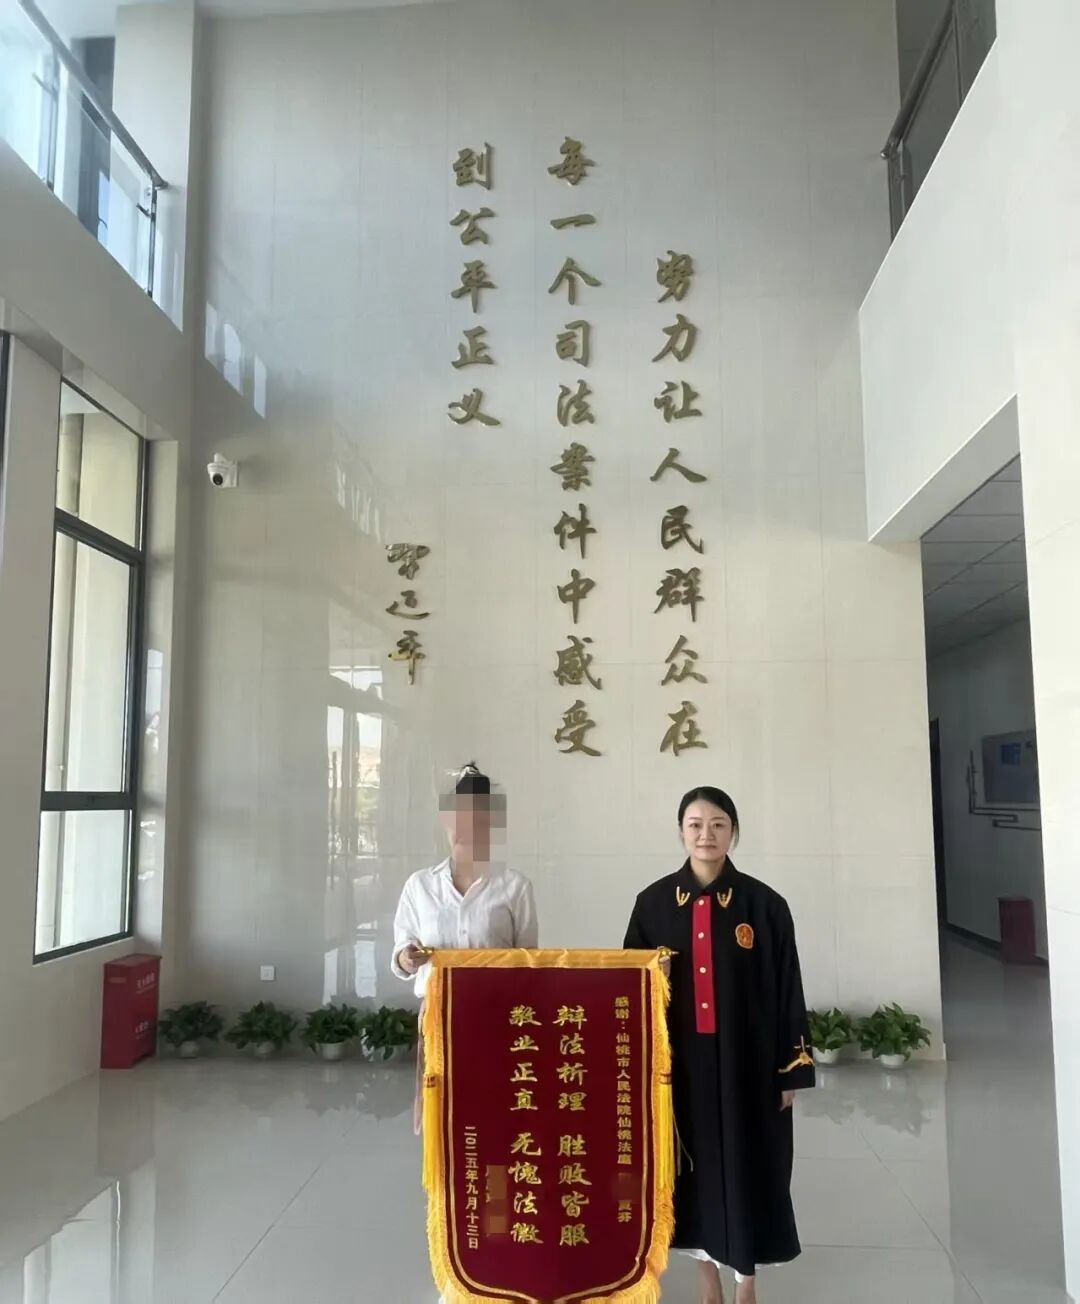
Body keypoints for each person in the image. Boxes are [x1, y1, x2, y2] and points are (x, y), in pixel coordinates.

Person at [623, 787, 814, 1304]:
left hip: (750, 1064)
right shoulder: (653, 904)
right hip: (682, 1067)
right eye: (695, 824)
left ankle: (747, 1280)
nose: (705, 835)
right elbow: (627, 991)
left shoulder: (765, 906)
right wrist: (653, 977)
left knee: (753, 1164)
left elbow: (788, 988)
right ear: (680, 831)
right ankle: (707, 1281)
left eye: (717, 824)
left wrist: (792, 1070)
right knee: (692, 1172)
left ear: (733, 832)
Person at [391, 762, 538, 1133]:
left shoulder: (514, 886)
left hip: (497, 1019)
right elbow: (401, 951)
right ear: (445, 820)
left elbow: (529, 962)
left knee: (494, 1113)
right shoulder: (420, 886)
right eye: (457, 815)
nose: (465, 825)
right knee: (442, 1117)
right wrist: (407, 957)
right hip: (438, 1018)